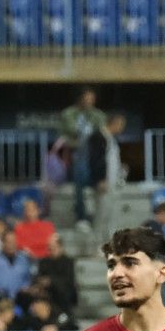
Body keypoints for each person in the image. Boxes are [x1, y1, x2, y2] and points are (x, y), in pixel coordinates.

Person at [59, 88, 110, 229]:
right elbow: (69, 131)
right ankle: (81, 217)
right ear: (80, 99)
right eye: (87, 99)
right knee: (80, 183)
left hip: (94, 154)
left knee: (99, 185)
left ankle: (97, 217)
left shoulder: (98, 115)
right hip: (76, 152)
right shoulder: (69, 113)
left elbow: (101, 132)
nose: (89, 102)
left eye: (92, 99)